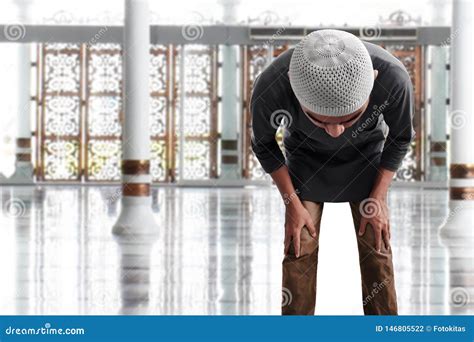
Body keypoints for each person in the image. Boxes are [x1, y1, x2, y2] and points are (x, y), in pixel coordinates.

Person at [250, 29, 415, 315]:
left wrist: (377, 197)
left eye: (349, 119)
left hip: (366, 157)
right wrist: (291, 203)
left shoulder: (391, 77)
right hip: (305, 158)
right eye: (322, 121)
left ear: (372, 82)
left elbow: (400, 138)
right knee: (299, 243)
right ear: (293, 87)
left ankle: (385, 328)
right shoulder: (272, 85)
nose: (336, 133)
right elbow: (264, 145)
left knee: (376, 242)